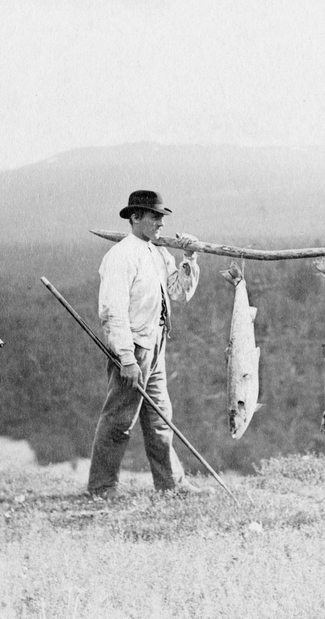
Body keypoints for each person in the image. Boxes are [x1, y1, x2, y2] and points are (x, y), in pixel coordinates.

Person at [87, 190, 210, 499]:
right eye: (155, 217)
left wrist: (190, 258)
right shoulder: (120, 256)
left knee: (159, 417)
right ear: (135, 217)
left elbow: (179, 292)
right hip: (133, 348)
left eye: (162, 217)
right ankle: (102, 487)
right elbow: (112, 312)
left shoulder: (159, 253)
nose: (161, 223)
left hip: (156, 345)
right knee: (119, 419)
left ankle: (171, 484)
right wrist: (127, 358)